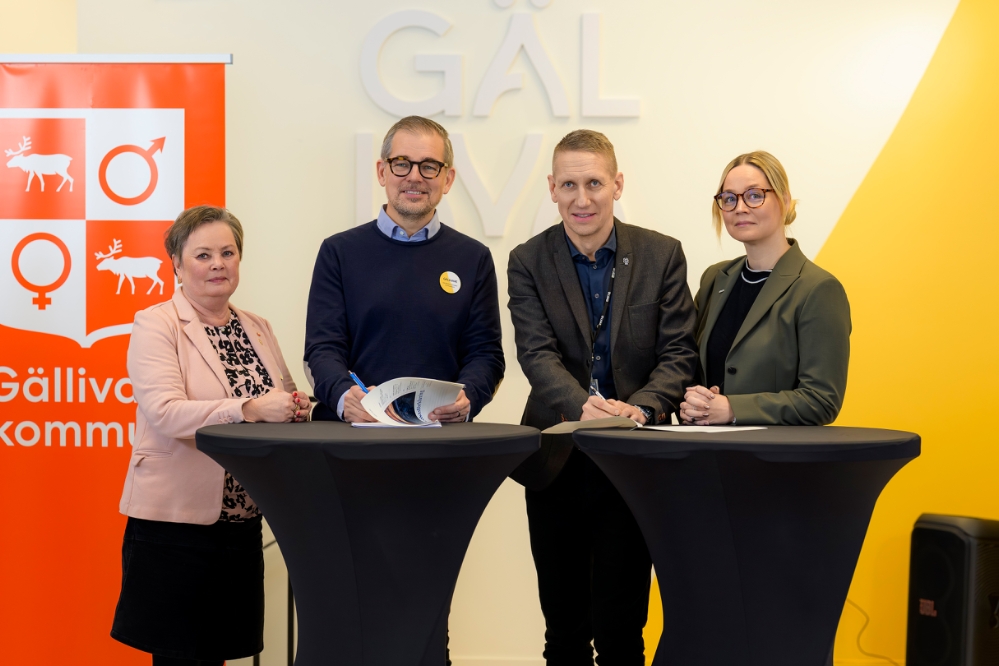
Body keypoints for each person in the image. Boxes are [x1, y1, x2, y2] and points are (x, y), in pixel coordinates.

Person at [507, 129, 698, 665]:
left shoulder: (662, 254)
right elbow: (536, 354)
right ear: (552, 188)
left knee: (622, 634)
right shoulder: (527, 260)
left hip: (634, 460)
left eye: (594, 183)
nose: (582, 198)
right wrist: (582, 406)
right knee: (563, 632)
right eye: (569, 185)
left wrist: (642, 408)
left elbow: (679, 352)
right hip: (556, 462)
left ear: (617, 184)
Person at [111, 206, 310, 666]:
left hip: (243, 522)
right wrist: (248, 409)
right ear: (177, 265)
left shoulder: (257, 326)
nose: (218, 263)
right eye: (203, 255)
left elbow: (283, 396)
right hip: (175, 524)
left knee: (221, 654)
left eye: (228, 252)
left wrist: (300, 407)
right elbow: (166, 413)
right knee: (180, 658)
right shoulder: (156, 323)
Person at [304, 115, 504, 423]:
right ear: (382, 172)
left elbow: (486, 354)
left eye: (429, 166)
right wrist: (345, 397)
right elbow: (322, 349)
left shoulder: (473, 258)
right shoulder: (338, 252)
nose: (414, 177)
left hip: (440, 435)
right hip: (354, 432)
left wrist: (469, 398)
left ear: (447, 179)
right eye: (402, 164)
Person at [680, 151, 851, 426]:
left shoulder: (818, 289)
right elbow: (687, 366)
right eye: (729, 198)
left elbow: (821, 400)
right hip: (704, 446)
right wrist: (692, 402)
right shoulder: (714, 278)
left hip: (772, 451)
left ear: (784, 200)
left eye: (754, 195)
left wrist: (733, 409)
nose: (740, 207)